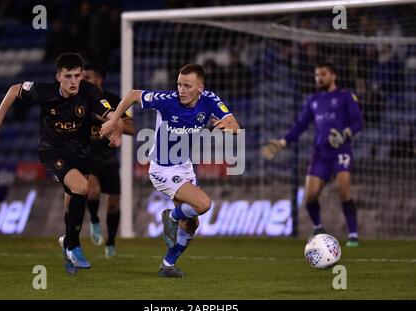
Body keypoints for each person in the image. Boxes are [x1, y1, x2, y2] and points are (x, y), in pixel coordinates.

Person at [0, 52, 121, 274]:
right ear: (58, 76)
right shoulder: (45, 91)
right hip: (52, 151)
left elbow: (111, 114)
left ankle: (66, 242)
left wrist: (114, 130)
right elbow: (13, 90)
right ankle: (74, 246)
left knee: (72, 203)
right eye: (68, 76)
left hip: (81, 154)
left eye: (78, 76)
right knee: (82, 188)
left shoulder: (89, 92)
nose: (74, 81)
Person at [100, 64, 240, 277]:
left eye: (187, 86)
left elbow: (234, 125)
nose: (181, 90)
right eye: (179, 85)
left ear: (200, 87)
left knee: (191, 224)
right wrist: (113, 121)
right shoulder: (167, 100)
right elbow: (132, 95)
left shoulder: (210, 99)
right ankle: (171, 216)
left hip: (184, 166)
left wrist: (229, 128)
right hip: (162, 169)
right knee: (203, 204)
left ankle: (167, 265)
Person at [262, 62, 364, 247]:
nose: (319, 78)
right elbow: (300, 125)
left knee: (343, 189)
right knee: (310, 196)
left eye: (323, 74)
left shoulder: (345, 96)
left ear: (334, 76)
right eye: (317, 75)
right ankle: (318, 227)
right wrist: (282, 142)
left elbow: (358, 121)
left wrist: (345, 134)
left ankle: (353, 235)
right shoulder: (313, 100)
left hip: (341, 150)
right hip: (320, 152)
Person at [83, 63, 135, 258]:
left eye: (87, 77)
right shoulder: (78, 101)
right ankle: (95, 220)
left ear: (99, 79)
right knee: (93, 191)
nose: (82, 81)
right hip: (87, 159)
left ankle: (111, 242)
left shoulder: (113, 100)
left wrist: (110, 122)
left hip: (109, 159)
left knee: (113, 204)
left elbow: (131, 128)